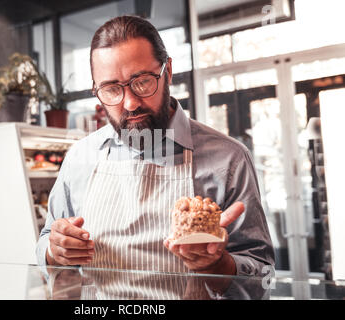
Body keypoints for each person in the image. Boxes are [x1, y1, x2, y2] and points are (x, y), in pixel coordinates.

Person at [36, 15, 274, 276]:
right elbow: (47, 239)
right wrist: (54, 250)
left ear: (168, 71)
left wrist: (217, 264)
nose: (130, 103)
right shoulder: (79, 157)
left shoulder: (230, 159)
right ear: (96, 90)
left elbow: (261, 272)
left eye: (142, 82)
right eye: (111, 89)